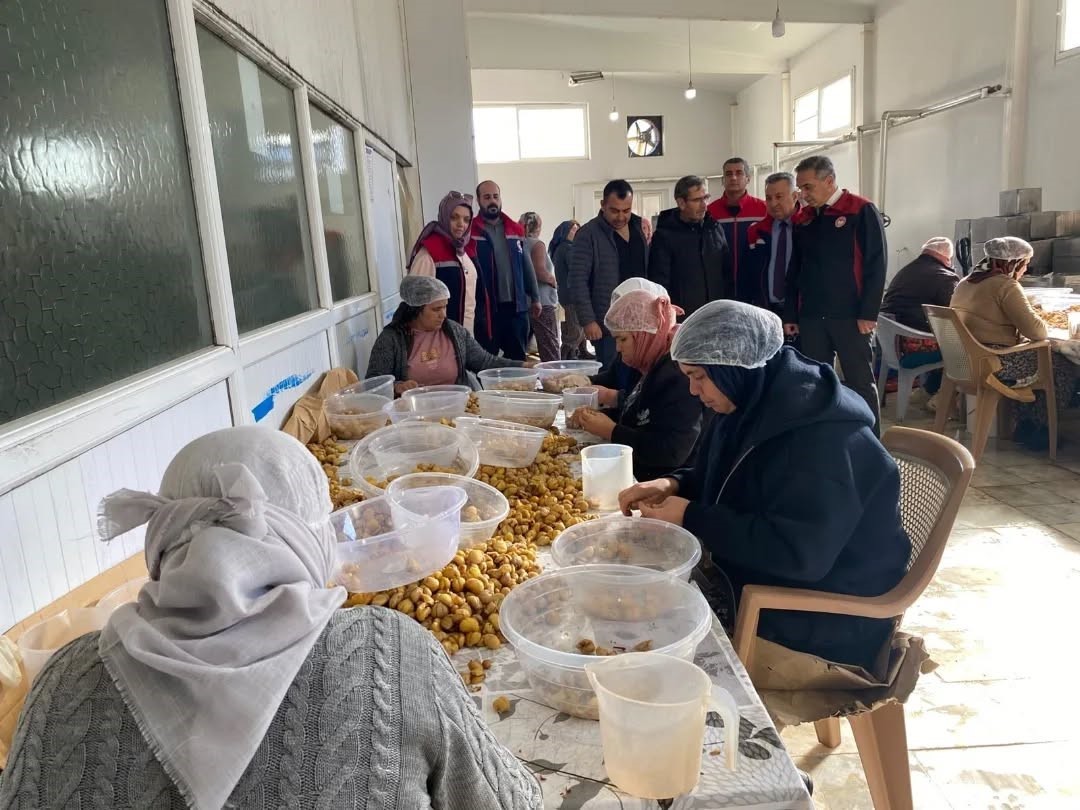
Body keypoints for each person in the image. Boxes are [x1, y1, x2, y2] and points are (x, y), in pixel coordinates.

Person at [0, 426, 543, 810]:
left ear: (161, 538)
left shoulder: (63, 678)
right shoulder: (389, 652)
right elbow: (509, 801)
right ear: (311, 535)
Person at [618, 301, 910, 671]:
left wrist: (692, 516)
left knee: (656, 646)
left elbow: (798, 554)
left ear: (734, 366)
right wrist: (672, 483)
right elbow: (722, 473)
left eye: (699, 376)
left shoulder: (822, 440)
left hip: (826, 612)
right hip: (767, 575)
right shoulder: (748, 398)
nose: (693, 390)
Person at [785, 155, 887, 435]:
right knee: (817, 380)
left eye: (808, 187)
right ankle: (824, 439)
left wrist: (869, 313)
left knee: (859, 381)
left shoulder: (860, 210)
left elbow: (876, 263)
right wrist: (791, 314)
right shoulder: (804, 218)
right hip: (812, 315)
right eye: (800, 188)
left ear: (829, 181)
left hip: (851, 316)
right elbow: (796, 268)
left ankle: (871, 442)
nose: (803, 194)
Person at [950, 236, 1080, 451]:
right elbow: (1037, 331)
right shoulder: (1005, 284)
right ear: (1013, 263)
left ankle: (1025, 425)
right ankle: (1038, 429)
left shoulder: (966, 282)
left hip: (966, 359)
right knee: (1058, 364)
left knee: (1043, 357)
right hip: (995, 361)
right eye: (1025, 264)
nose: (1025, 270)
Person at [574, 285, 703, 480]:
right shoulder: (651, 361)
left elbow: (671, 451)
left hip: (666, 483)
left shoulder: (679, 375)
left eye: (623, 339)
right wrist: (598, 417)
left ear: (645, 336)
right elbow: (642, 414)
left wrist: (612, 431)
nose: (618, 348)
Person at [367, 276, 529, 395]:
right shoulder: (391, 339)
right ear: (415, 310)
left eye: (445, 307)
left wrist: (523, 367)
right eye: (436, 309)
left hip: (458, 408)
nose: (443, 315)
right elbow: (374, 383)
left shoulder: (454, 331)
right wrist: (397, 386)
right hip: (414, 414)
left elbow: (485, 362)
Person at [567, 179, 648, 369]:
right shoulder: (588, 234)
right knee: (611, 373)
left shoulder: (638, 227)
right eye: (614, 210)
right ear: (603, 205)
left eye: (626, 210)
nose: (621, 217)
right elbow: (577, 280)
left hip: (639, 320)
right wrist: (588, 321)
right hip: (607, 323)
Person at [879, 237, 959, 409]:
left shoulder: (906, 271)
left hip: (890, 343)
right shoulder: (945, 276)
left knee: (946, 337)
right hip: (910, 346)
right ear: (947, 258)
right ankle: (941, 397)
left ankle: (928, 390)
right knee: (959, 347)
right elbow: (954, 314)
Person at [471, 181, 541, 359]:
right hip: (486, 310)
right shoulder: (471, 232)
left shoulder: (515, 230)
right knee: (486, 360)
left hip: (516, 308)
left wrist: (535, 297)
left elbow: (527, 264)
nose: (492, 201)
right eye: (487, 197)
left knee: (518, 359)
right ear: (479, 200)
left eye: (495, 196)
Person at [648, 175, 731, 317]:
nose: (704, 205)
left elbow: (727, 274)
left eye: (706, 198)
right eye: (697, 200)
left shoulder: (715, 229)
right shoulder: (665, 236)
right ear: (681, 203)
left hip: (717, 315)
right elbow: (659, 283)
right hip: (683, 319)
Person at [407, 190, 480, 334]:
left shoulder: (464, 250)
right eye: (454, 217)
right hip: (439, 338)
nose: (461, 224)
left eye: (466, 220)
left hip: (464, 335)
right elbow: (414, 303)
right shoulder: (430, 252)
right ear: (445, 216)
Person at [705, 157, 767, 304]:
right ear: (723, 180)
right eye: (728, 174)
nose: (733, 177)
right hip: (719, 288)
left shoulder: (763, 210)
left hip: (756, 288)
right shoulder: (709, 212)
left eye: (739, 173)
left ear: (748, 178)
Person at [746, 172, 800, 317]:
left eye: (779, 197)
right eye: (768, 198)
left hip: (801, 311)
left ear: (795, 196)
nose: (773, 204)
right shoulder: (755, 231)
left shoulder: (808, 227)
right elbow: (749, 273)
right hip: (765, 311)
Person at [519, 212, 560, 362]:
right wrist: (553, 281)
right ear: (537, 226)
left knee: (523, 347)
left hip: (525, 301)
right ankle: (555, 374)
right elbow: (539, 271)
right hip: (542, 301)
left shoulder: (518, 243)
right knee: (550, 347)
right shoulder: (537, 244)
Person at [551, 219, 588, 359]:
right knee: (576, 325)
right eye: (574, 229)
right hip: (572, 293)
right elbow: (578, 269)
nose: (577, 232)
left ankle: (579, 350)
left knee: (572, 323)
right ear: (565, 231)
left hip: (565, 293)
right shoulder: (568, 248)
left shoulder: (560, 248)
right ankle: (568, 352)